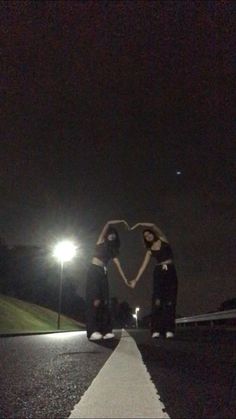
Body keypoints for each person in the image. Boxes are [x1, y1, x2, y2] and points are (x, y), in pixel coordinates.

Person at [130, 222, 178, 339]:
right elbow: (143, 266)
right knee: (157, 301)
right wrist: (135, 279)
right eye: (146, 236)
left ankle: (169, 330)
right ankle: (156, 329)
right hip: (158, 273)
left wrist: (139, 224)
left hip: (170, 271)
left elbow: (153, 225)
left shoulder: (163, 240)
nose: (148, 236)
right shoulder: (149, 250)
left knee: (170, 300)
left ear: (153, 234)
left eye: (149, 234)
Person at [86, 220, 129, 341]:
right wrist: (122, 221)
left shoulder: (113, 250)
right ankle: (93, 330)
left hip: (103, 274)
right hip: (94, 271)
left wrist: (125, 279)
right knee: (95, 300)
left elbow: (118, 265)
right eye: (110, 233)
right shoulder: (100, 241)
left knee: (105, 302)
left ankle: (106, 330)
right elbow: (108, 223)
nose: (112, 235)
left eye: (114, 234)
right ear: (106, 234)